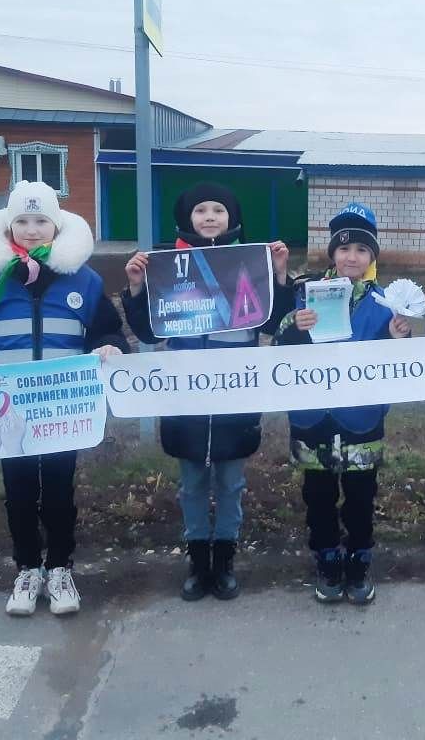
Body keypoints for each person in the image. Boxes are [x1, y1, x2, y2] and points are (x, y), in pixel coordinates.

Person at [0, 180, 129, 617]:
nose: (32, 230)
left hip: (62, 411)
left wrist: (109, 346)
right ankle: (27, 569)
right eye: (23, 221)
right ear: (10, 227)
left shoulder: (83, 281)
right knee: (19, 493)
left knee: (59, 494)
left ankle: (61, 569)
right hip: (8, 414)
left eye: (41, 221)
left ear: (56, 225)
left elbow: (107, 330)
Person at [121, 182, 292, 601]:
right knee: (192, 485)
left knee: (232, 485)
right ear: (187, 218)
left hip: (235, 402)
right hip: (186, 403)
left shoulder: (252, 265)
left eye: (218, 209)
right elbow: (145, 331)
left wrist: (281, 275)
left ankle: (225, 561)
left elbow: (275, 327)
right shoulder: (168, 265)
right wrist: (137, 287)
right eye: (201, 210)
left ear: (233, 219)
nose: (210, 217)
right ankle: (199, 564)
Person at [273, 203, 411, 605]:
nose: (352, 257)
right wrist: (294, 327)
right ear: (333, 253)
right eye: (345, 249)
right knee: (317, 494)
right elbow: (279, 345)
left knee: (361, 496)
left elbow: (393, 364)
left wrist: (397, 337)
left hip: (362, 418)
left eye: (362, 251)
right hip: (312, 416)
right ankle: (328, 559)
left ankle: (359, 559)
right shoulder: (305, 292)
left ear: (372, 258)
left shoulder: (387, 303)